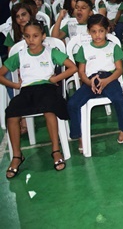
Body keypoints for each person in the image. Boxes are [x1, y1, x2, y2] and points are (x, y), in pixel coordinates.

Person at [0, 20, 77, 178]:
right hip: (27, 90)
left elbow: (72, 67)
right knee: (12, 113)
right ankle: (17, 156)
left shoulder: (51, 52)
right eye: (27, 36)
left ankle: (55, 150)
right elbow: (1, 74)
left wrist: (55, 79)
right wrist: (14, 85)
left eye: (35, 36)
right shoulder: (20, 55)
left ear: (43, 36)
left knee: (49, 109)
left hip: (47, 88)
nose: (31, 40)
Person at [67, 15, 123, 152]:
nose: (97, 35)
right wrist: (89, 82)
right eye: (94, 31)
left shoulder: (113, 47)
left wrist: (106, 81)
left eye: (101, 31)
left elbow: (119, 70)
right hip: (90, 80)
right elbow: (81, 72)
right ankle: (79, 136)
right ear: (88, 31)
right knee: (72, 103)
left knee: (119, 99)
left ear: (107, 30)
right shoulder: (84, 49)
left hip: (110, 78)